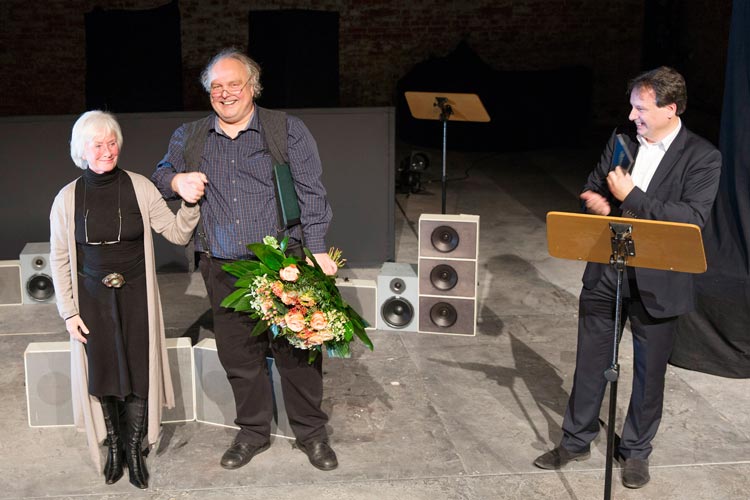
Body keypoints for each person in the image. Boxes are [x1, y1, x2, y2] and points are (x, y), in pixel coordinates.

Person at [151, 48, 339, 471]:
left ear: (252, 87)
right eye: (216, 87)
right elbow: (160, 174)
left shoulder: (285, 130)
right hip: (222, 264)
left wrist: (319, 250)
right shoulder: (190, 136)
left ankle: (311, 433)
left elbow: (312, 193)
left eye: (234, 84)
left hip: (283, 262)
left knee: (299, 352)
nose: (225, 93)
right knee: (239, 356)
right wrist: (177, 179)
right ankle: (253, 432)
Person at [533, 67, 721, 488]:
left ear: (670, 109)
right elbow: (594, 184)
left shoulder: (703, 157)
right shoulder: (621, 140)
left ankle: (636, 451)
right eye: (632, 106)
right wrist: (595, 201)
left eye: (641, 108)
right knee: (590, 362)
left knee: (650, 372)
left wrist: (629, 197)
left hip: (660, 280)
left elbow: (691, 217)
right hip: (606, 270)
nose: (632, 114)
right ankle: (576, 438)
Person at [50, 110, 200, 489]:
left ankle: (135, 449)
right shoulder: (67, 199)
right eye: (97, 144)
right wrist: (69, 312)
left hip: (136, 294)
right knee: (104, 372)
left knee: (137, 370)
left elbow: (175, 233)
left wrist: (189, 202)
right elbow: (60, 258)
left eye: (112, 142)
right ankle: (114, 447)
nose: (107, 150)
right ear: (81, 150)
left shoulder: (140, 187)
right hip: (91, 301)